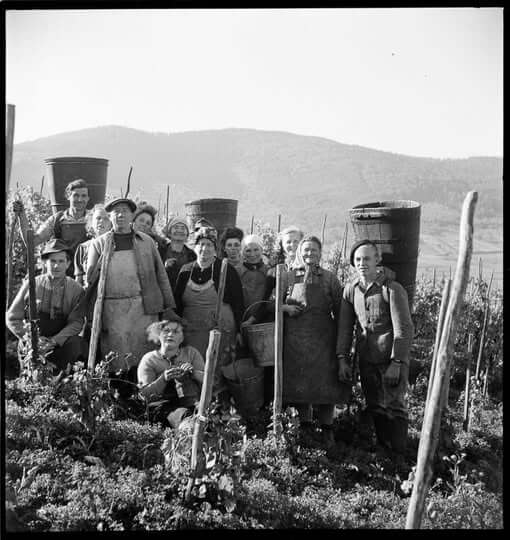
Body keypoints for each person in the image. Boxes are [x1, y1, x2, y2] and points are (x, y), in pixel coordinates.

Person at [85, 197, 178, 383]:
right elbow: (90, 280)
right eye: (116, 211)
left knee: (144, 355)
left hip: (143, 308)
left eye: (125, 211)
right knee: (116, 358)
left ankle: (145, 396)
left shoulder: (146, 242)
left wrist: (168, 306)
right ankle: (118, 395)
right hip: (113, 310)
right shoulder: (99, 244)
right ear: (110, 216)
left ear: (132, 216)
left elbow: (161, 275)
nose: (120, 215)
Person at [337, 239, 414, 456]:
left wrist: (397, 362)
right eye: (358, 259)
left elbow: (404, 328)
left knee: (395, 407)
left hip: (391, 360)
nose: (362, 263)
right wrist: (342, 358)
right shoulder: (350, 290)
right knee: (375, 405)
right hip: (367, 359)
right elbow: (345, 328)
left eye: (367, 258)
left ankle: (399, 456)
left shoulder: (392, 289)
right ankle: (383, 451)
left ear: (377, 260)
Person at [281, 235, 350, 446]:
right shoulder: (289, 276)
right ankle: (306, 427)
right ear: (300, 253)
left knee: (325, 384)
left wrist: (342, 346)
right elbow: (273, 303)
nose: (310, 254)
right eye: (306, 250)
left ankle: (327, 430)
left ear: (320, 253)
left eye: (314, 250)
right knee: (301, 383)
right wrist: (285, 308)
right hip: (295, 341)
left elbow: (341, 313)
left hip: (323, 340)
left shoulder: (330, 279)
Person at [173, 226, 244, 392]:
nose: (205, 249)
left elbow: (238, 303)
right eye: (201, 244)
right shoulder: (185, 271)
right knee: (193, 367)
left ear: (216, 248)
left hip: (219, 329)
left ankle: (218, 408)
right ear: (195, 247)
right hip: (192, 331)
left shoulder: (226, 269)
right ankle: (195, 407)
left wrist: (239, 330)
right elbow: (177, 304)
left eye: (209, 245)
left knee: (219, 367)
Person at [6, 239, 88, 374]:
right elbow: (12, 318)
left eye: (61, 261)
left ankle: (66, 383)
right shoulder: (32, 284)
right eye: (53, 261)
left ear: (68, 264)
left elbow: (76, 322)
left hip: (59, 343)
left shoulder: (76, 289)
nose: (57, 266)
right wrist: (31, 339)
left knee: (76, 343)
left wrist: (54, 341)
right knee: (33, 378)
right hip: (33, 344)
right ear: (45, 262)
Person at [13, 179, 91, 277]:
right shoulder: (57, 220)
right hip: (60, 277)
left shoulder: (93, 219)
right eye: (76, 195)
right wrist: (22, 215)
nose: (80, 199)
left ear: (88, 198)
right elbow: (32, 242)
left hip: (86, 276)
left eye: (83, 196)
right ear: (68, 196)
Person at [138, 319, 205, 429]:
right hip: (163, 408)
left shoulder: (191, 353)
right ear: (158, 335)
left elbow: (208, 381)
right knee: (187, 419)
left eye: (176, 331)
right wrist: (163, 378)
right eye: (166, 330)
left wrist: (193, 372)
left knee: (204, 418)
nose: (170, 334)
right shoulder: (149, 359)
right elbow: (144, 395)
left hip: (192, 402)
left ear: (182, 337)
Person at [74, 204, 112, 287]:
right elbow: (78, 280)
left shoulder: (116, 245)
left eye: (106, 219)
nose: (101, 221)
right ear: (91, 222)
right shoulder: (83, 248)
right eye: (98, 218)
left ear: (111, 223)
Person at [160, 216, 197, 292]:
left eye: (183, 228)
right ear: (169, 233)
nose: (179, 230)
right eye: (176, 227)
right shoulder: (160, 251)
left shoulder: (192, 255)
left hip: (185, 296)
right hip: (164, 294)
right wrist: (165, 267)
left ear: (187, 235)